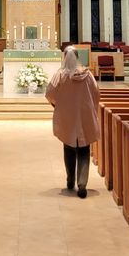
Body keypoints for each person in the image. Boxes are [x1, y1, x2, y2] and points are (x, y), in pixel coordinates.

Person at [45, 46, 100, 198]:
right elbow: (96, 93)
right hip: (84, 115)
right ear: (77, 57)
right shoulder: (87, 74)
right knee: (84, 149)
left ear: (64, 57)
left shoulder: (61, 75)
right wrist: (91, 107)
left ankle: (70, 179)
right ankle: (82, 184)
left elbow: (49, 93)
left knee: (69, 147)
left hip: (67, 115)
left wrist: (56, 104)